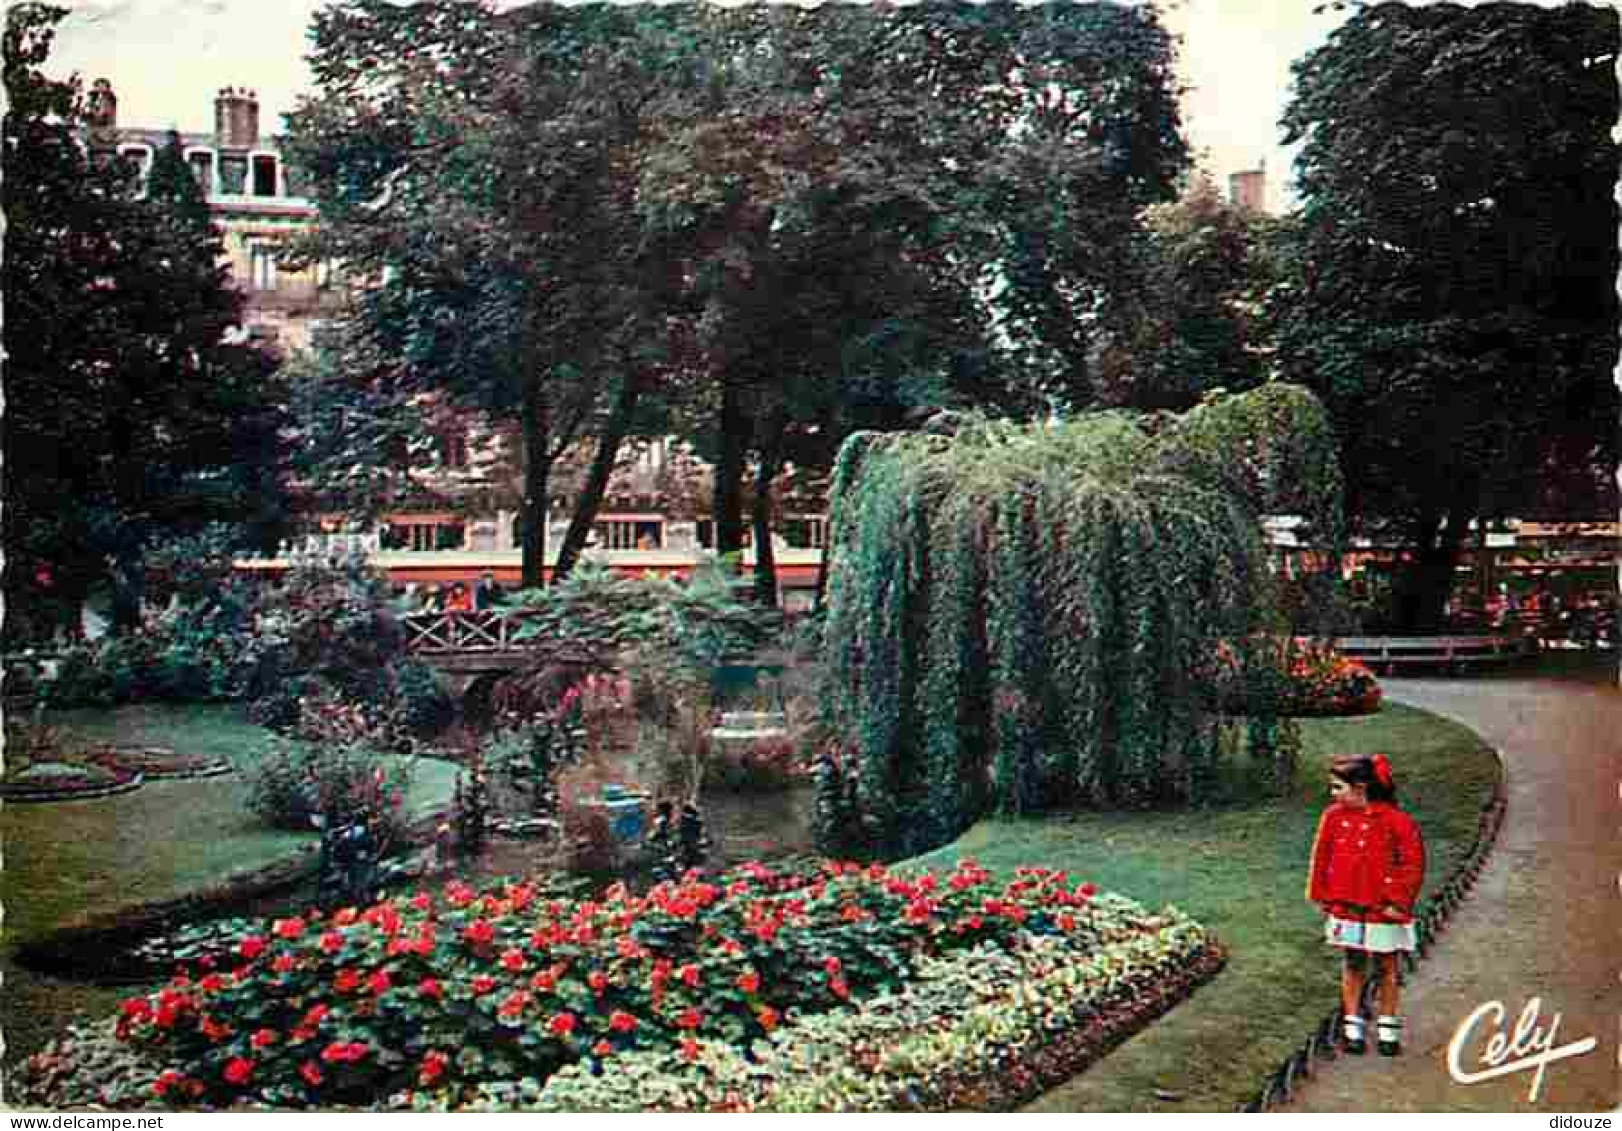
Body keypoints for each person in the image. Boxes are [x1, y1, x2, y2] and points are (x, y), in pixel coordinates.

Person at [1306, 752, 1426, 1056]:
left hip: (1381, 907)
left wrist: (1398, 901)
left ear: (1360, 787)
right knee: (1353, 961)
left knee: (1386, 964)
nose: (1333, 794)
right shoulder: (1333, 817)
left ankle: (1388, 1025)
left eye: (1337, 787)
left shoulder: (1395, 821)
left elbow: (1412, 863)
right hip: (1348, 906)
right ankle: (1352, 1024)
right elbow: (1322, 857)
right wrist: (1322, 894)